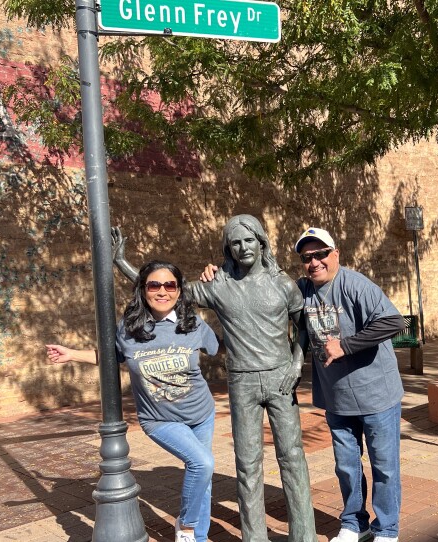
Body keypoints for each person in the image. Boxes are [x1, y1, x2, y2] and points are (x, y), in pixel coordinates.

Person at [113, 215, 316, 542]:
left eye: (249, 240)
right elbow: (165, 288)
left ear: (261, 242)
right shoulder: (219, 284)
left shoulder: (283, 284)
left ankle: (304, 536)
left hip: (282, 380)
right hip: (242, 382)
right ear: (228, 249)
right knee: (248, 466)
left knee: (292, 458)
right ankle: (254, 538)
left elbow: (303, 326)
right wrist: (122, 262)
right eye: (235, 243)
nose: (243, 247)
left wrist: (296, 364)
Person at [46, 261, 219, 542]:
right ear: (143, 289)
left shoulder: (194, 324)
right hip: (160, 419)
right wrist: (72, 354)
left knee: (203, 473)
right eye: (154, 285)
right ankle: (186, 527)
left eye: (169, 285)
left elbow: (219, 345)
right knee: (202, 464)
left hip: (201, 412)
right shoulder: (129, 328)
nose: (162, 291)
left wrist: (219, 287)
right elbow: (110, 356)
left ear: (178, 290)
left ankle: (196, 537)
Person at [294, 227, 405, 542]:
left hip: (376, 395)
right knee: (346, 466)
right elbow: (264, 285)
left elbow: (393, 321)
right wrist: (224, 272)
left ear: (335, 253)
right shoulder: (302, 291)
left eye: (321, 254)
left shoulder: (356, 285)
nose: (314, 262)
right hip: (336, 398)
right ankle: (355, 524)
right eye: (307, 257)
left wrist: (346, 345)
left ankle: (387, 530)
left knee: (384, 466)